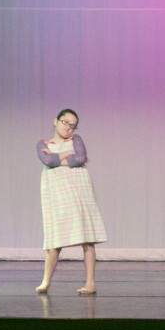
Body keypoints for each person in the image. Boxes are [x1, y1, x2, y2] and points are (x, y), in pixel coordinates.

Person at [36, 109, 106, 295]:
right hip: (56, 189)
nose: (68, 128)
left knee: (86, 238)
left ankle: (90, 283)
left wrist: (58, 157)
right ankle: (45, 281)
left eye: (72, 126)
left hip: (78, 188)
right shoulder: (42, 143)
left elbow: (80, 158)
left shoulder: (76, 139)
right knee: (55, 239)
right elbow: (47, 161)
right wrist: (68, 153)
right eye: (65, 122)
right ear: (56, 121)